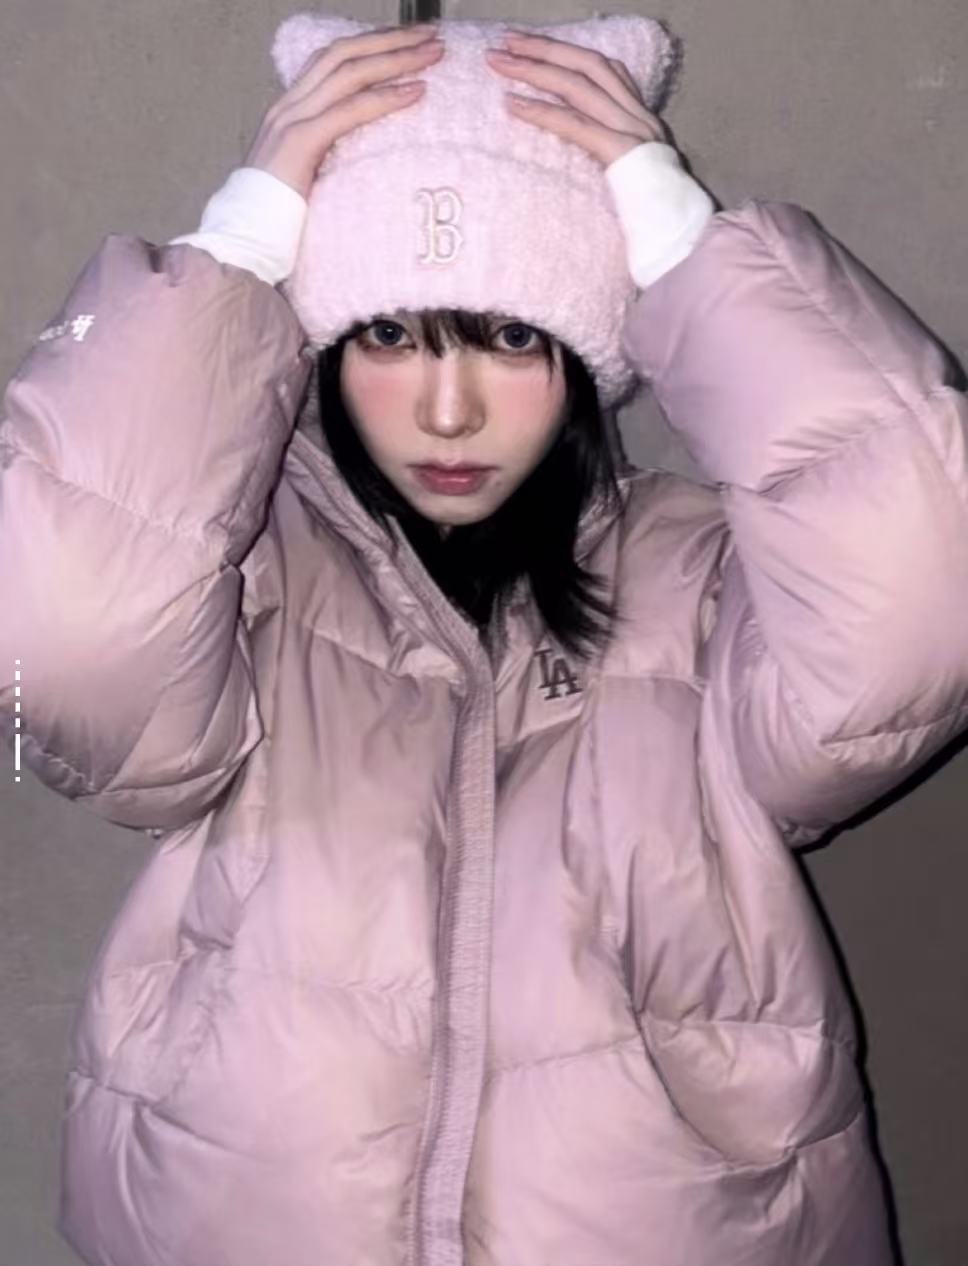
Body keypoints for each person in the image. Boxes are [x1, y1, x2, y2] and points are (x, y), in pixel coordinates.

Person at [1, 12, 967, 1266]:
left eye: (510, 338)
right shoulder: (236, 575)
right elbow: (57, 633)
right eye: (389, 334)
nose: (446, 409)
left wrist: (689, 252)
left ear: (583, 352)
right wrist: (236, 249)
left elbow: (918, 608)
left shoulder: (708, 586)